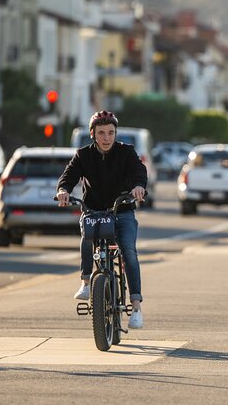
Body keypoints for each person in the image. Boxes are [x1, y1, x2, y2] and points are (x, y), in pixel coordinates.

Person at [56, 110, 147, 329]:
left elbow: (139, 172)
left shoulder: (127, 152)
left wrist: (138, 186)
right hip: (94, 212)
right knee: (87, 237)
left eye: (111, 133)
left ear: (116, 133)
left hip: (122, 211)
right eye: (101, 133)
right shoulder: (83, 155)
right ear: (93, 134)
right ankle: (86, 282)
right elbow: (68, 176)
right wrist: (63, 190)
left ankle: (135, 307)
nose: (106, 138)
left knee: (129, 252)